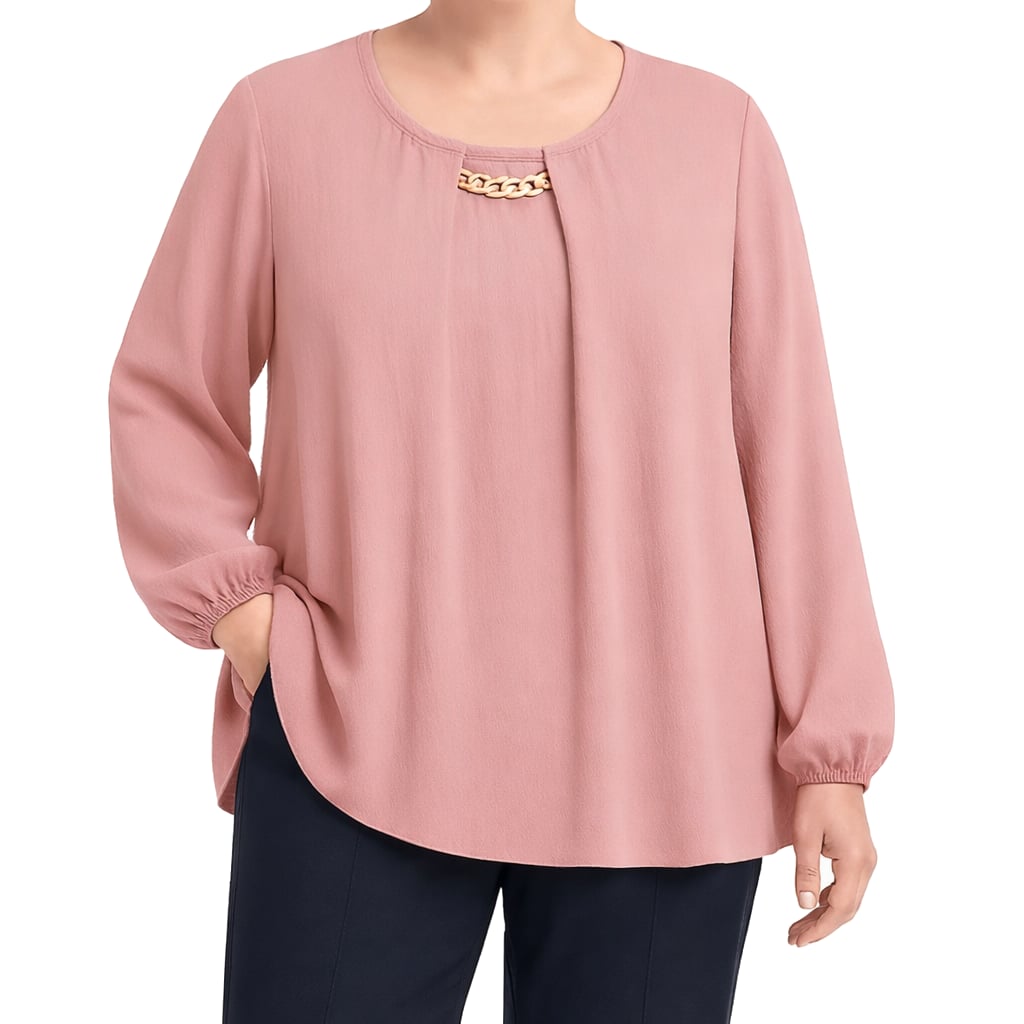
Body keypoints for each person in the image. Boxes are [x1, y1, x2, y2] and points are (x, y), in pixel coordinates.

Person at [107, 5, 896, 1022]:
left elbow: (789, 451)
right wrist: (245, 618)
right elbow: (167, 393)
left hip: (665, 762)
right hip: (348, 731)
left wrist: (833, 747)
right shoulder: (279, 121)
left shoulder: (719, 135)